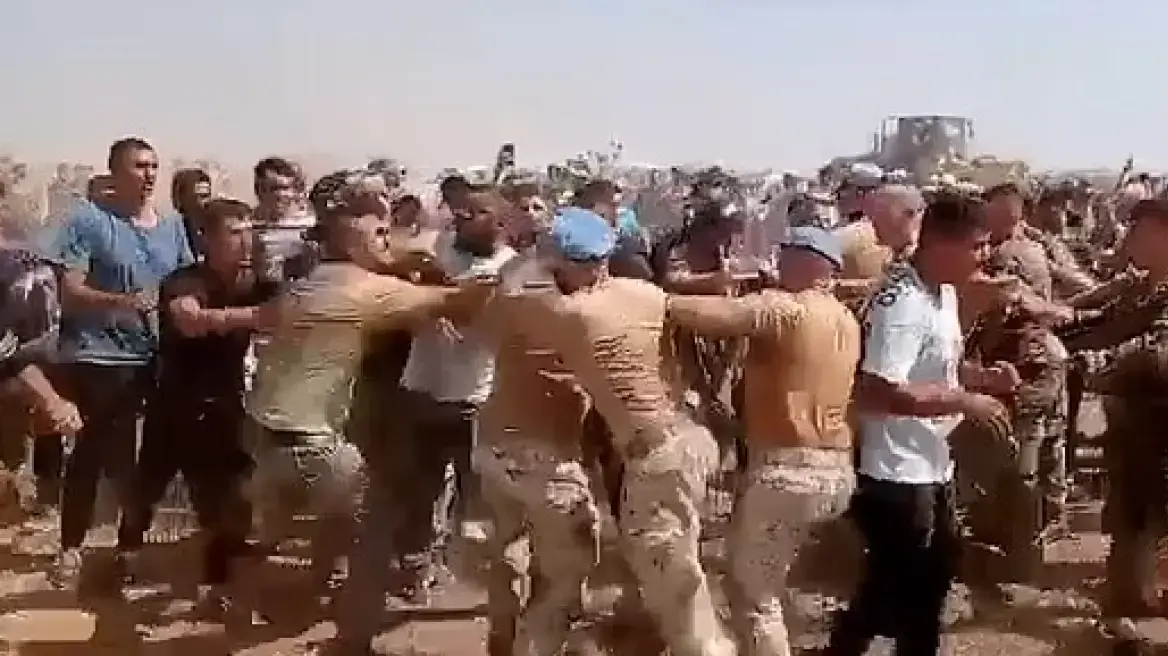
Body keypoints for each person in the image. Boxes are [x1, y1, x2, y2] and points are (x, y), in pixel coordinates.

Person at [251, 173, 495, 641]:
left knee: (334, 517)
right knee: (371, 523)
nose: (387, 232)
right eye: (376, 223)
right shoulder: (355, 280)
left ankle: (294, 594)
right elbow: (456, 301)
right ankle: (350, 633)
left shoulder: (333, 269)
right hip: (327, 427)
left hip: (313, 418)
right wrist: (513, 278)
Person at [516, 207, 734, 656]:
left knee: (671, 574)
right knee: (670, 560)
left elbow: (517, 290)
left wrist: (534, 255)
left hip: (656, 456)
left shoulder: (573, 314)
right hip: (689, 439)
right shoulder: (642, 293)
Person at [827, 194, 1019, 655]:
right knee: (905, 584)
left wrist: (983, 379)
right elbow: (878, 389)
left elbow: (935, 368)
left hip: (929, 459)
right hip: (892, 467)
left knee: (927, 575)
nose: (985, 255)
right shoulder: (902, 304)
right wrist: (965, 401)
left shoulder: (944, 292)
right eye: (977, 245)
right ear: (939, 244)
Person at [665, 226, 859, 656]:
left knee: (751, 592)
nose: (776, 264)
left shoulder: (784, 310)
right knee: (770, 577)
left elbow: (703, 315)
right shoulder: (844, 318)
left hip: (787, 472)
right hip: (835, 470)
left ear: (805, 262)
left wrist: (653, 297)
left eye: (784, 255)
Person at [115, 199, 274, 607]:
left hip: (225, 405)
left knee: (224, 493)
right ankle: (126, 553)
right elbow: (188, 318)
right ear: (206, 239)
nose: (245, 240)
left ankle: (218, 580)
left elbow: (296, 305)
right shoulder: (186, 280)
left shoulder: (256, 281)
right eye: (234, 232)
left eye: (249, 230)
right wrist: (255, 316)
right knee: (148, 486)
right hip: (175, 405)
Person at [52, 137, 194, 586]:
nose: (149, 174)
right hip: (100, 354)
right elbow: (70, 290)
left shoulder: (173, 228)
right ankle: (71, 548)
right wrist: (123, 301)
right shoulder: (89, 222)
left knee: (151, 457)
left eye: (153, 166)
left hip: (157, 354)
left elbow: (187, 281)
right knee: (96, 451)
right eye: (139, 166)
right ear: (115, 172)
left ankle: (129, 547)